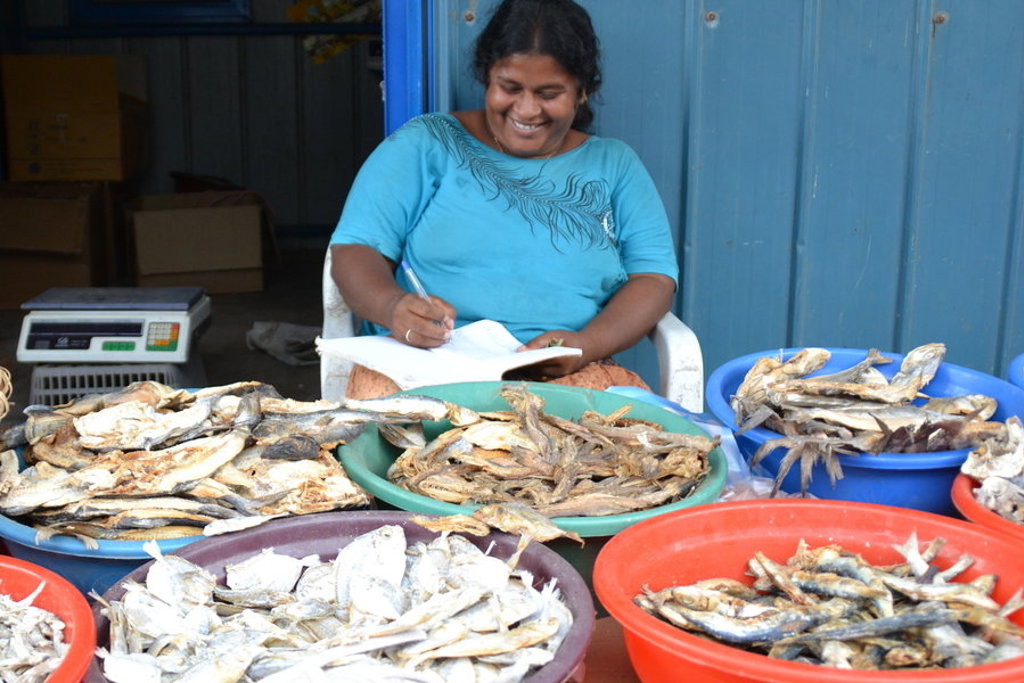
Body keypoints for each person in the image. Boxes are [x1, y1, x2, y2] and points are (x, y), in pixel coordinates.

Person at [329, 0, 678, 399]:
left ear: (583, 92)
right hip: (423, 366)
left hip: (568, 373)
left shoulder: (614, 165)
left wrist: (586, 345)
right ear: (486, 76)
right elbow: (356, 249)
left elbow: (652, 278)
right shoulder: (427, 145)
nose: (526, 110)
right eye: (509, 87)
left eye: (549, 93)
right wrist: (393, 308)